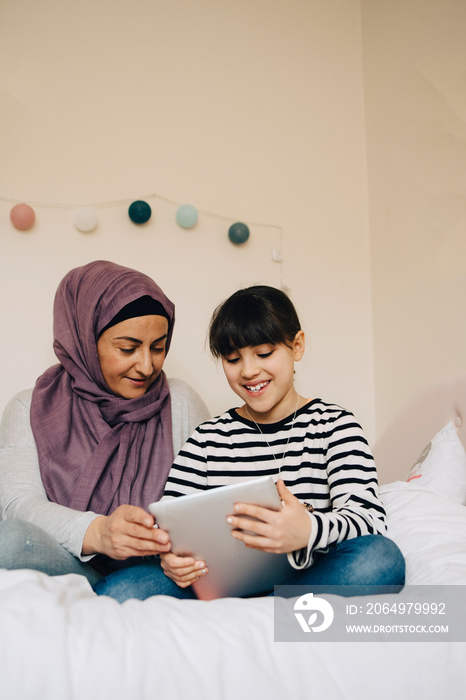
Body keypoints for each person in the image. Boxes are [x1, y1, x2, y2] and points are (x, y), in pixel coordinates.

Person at [95, 285, 405, 601]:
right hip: (219, 585)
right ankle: (268, 617)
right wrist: (170, 558)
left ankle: (257, 617)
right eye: (232, 359)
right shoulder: (207, 441)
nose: (248, 371)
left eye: (264, 353)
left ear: (296, 346)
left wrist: (307, 530)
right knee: (119, 590)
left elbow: (368, 519)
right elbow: (169, 526)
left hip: (310, 577)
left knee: (381, 559)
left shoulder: (335, 425)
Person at [0, 260, 209, 595]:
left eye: (158, 347)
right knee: (7, 541)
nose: (146, 365)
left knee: (123, 595)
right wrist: (98, 531)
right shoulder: (29, 407)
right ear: (84, 337)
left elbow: (204, 509)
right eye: (127, 348)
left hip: (149, 568)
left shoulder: (179, 402)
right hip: (66, 559)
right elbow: (19, 507)